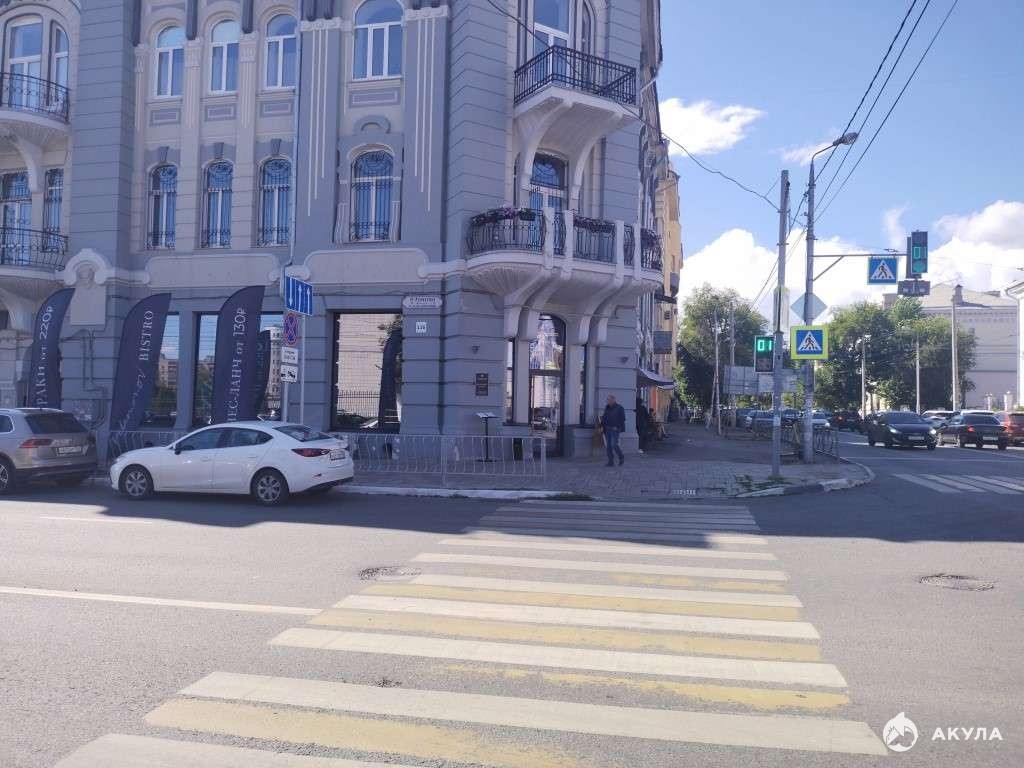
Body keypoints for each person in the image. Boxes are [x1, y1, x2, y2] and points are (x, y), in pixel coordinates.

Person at [600, 394, 626, 466]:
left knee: (614, 444)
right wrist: (601, 426)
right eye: (607, 400)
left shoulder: (620, 408)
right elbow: (604, 418)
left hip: (615, 429)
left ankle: (621, 456)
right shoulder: (607, 408)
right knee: (608, 446)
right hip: (607, 429)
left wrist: (617, 426)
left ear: (613, 400)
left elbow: (623, 419)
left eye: (609, 400)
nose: (607, 401)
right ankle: (610, 462)